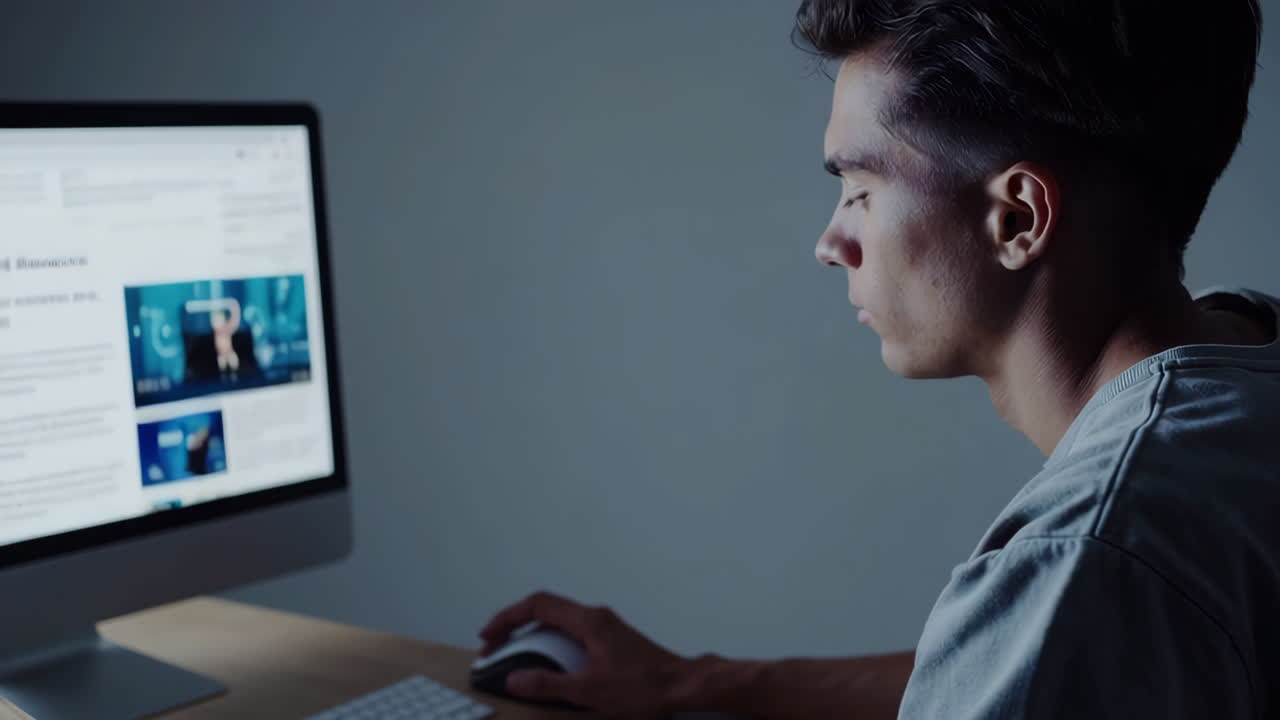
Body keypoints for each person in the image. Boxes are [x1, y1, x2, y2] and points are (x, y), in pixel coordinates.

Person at [478, 0, 1276, 717]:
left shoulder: (1090, 556)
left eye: (860, 190)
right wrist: (695, 683)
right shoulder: (1244, 355)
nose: (831, 245)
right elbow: (1038, 660)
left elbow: (1064, 614)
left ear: (1018, 218)